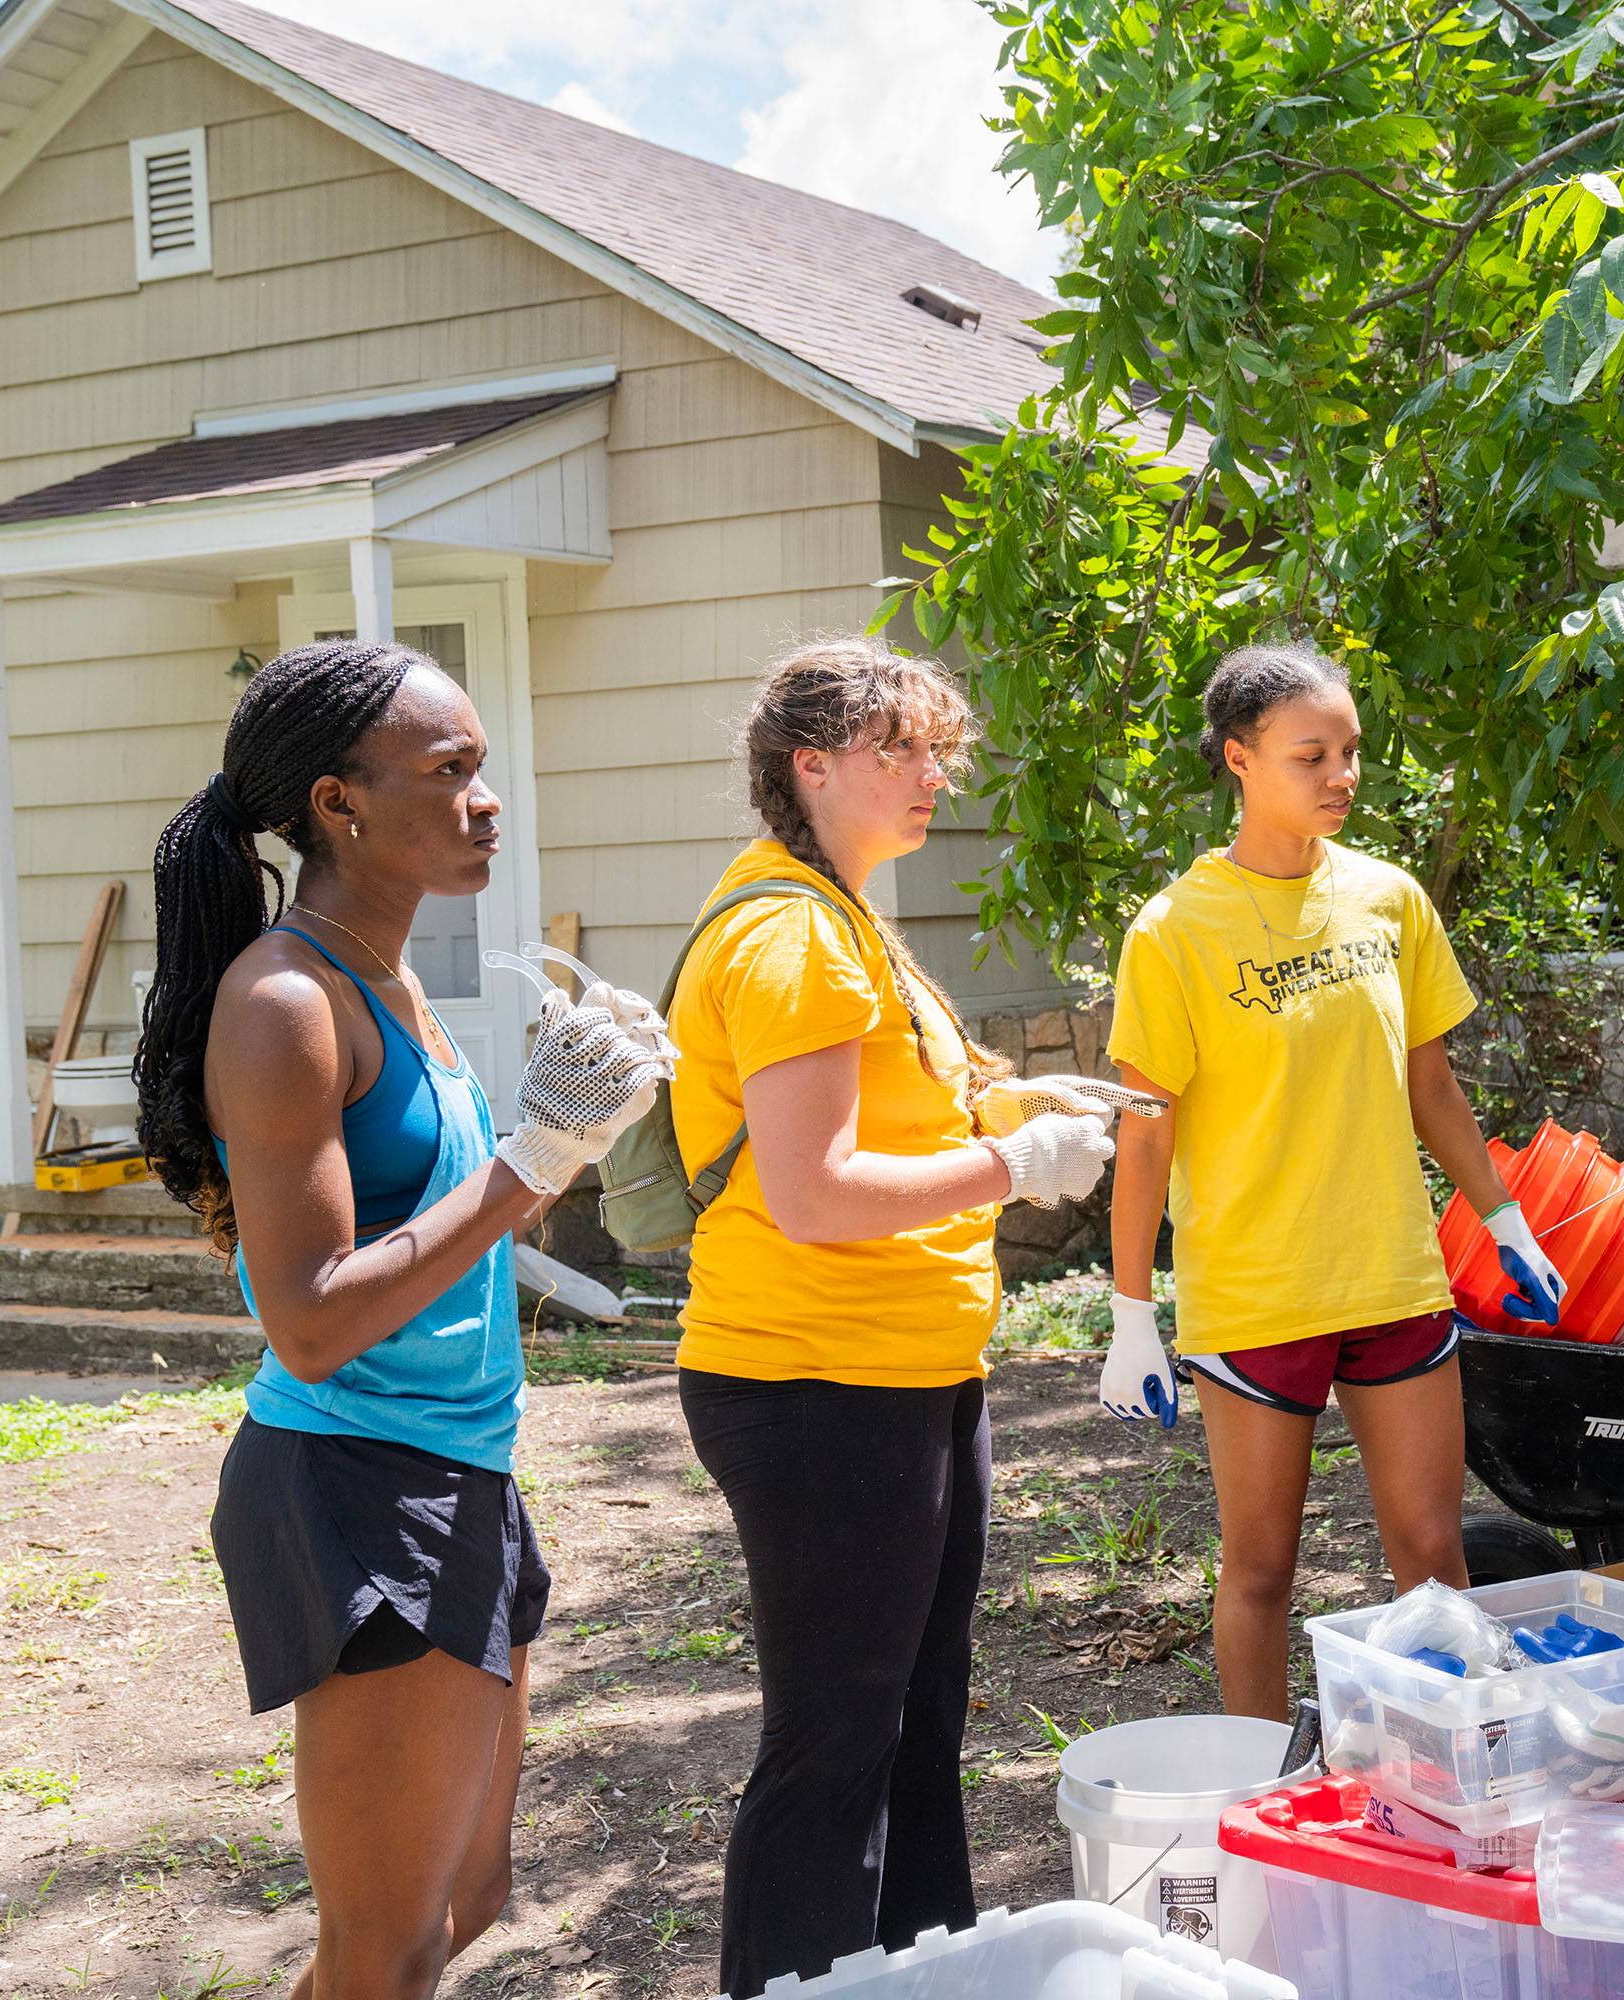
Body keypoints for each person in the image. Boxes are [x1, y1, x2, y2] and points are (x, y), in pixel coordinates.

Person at [137, 640, 670, 1999]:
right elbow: (310, 1321)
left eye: (481, 769)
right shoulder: (284, 1004)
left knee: (465, 1901)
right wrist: (527, 1161)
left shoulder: (392, 978)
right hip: (353, 1478)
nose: (483, 801)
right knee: (382, 1954)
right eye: (449, 773)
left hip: (461, 1464)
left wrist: (580, 1138)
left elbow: (457, 1243)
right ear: (339, 804)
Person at [667, 636, 1118, 1991]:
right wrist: (1015, 1168)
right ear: (810, 766)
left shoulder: (847, 917)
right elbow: (816, 1190)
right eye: (899, 750)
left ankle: (922, 1978)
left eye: (938, 749)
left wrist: (1006, 1106)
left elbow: (899, 1101)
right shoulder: (795, 935)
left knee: (914, 1730)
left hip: (905, 1380)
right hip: (819, 1389)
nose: (935, 775)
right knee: (835, 1748)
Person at [1097, 642, 1567, 1722]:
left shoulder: (1389, 900)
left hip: (1393, 1278)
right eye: (1312, 753)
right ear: (1240, 759)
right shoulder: (1172, 930)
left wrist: (1503, 1214)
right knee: (1261, 1567)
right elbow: (1147, 1138)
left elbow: (1431, 1084)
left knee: (1432, 1552)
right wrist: (1132, 1309)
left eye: (1351, 750)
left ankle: (1453, 1766)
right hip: (1257, 1294)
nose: (1342, 773)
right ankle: (1254, 1793)